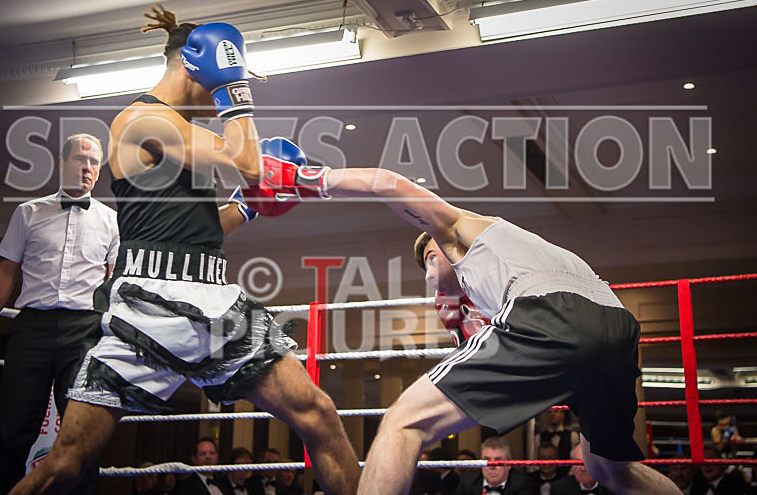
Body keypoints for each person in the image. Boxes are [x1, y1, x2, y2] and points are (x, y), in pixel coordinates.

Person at [9, 5, 359, 495]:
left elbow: (200, 231)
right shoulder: (142, 120)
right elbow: (248, 163)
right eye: (217, 80)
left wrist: (248, 207)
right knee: (65, 463)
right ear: (197, 68)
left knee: (318, 414)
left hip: (207, 294)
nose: (218, 101)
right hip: (145, 307)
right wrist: (233, 87)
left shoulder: (184, 137)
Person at [237, 140, 683, 495]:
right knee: (611, 470)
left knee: (403, 420)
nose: (431, 272)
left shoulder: (458, 227)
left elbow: (386, 182)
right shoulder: (516, 259)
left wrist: (305, 179)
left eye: (431, 258)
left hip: (552, 312)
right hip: (616, 324)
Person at [0, 133, 118, 495]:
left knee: (83, 434)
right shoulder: (28, 212)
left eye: (94, 162)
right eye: (81, 159)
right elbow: (6, 273)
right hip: (32, 328)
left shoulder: (112, 221)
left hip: (85, 331)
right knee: (13, 428)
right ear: (62, 163)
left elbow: (113, 284)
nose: (87, 168)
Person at [454, 437, 537, 495]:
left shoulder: (523, 483)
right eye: (487, 460)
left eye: (498, 461)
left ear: (509, 464)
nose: (492, 466)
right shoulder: (467, 481)